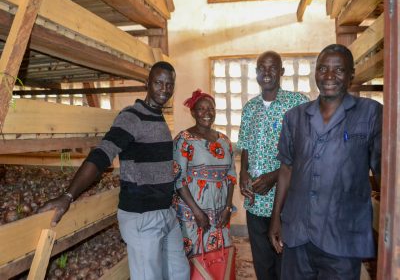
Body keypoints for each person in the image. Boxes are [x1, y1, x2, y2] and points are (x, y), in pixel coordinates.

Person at [39, 61, 190, 280]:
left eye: (169, 85)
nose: (164, 90)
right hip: (142, 217)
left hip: (166, 213)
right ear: (147, 83)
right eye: (158, 83)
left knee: (180, 273)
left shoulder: (158, 117)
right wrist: (68, 195)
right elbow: (102, 154)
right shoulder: (131, 117)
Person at [268, 44, 382, 280]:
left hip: (342, 234)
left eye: (338, 70)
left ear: (351, 75)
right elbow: (287, 168)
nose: (329, 76)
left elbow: (384, 172)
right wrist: (276, 218)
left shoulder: (370, 113)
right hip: (298, 230)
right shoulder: (295, 117)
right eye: (322, 69)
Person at [237, 51, 308, 280]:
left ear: (282, 72)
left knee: (285, 262)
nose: (267, 72)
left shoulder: (297, 103)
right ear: (256, 73)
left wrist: (274, 177)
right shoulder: (250, 108)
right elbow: (245, 145)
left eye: (273, 67)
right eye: (262, 68)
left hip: (285, 199)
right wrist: (243, 173)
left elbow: (305, 152)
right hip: (255, 200)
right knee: (262, 264)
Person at [173, 89, 237, 256]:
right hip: (193, 211)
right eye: (201, 109)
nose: (207, 113)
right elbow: (178, 180)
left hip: (220, 210)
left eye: (211, 109)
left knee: (218, 257)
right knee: (194, 257)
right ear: (193, 112)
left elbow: (231, 175)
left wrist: (228, 208)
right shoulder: (184, 139)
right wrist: (197, 212)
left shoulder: (224, 141)